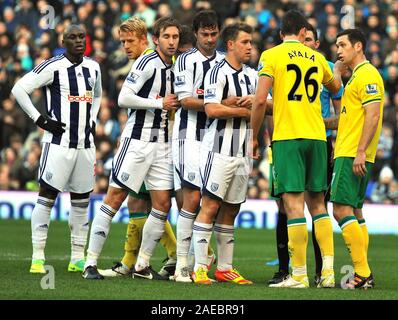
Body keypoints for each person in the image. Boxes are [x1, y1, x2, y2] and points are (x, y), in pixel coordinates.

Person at [82, 17, 181, 280]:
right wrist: (160, 104)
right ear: (157, 39)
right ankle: (89, 263)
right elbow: (124, 97)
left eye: (129, 41)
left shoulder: (173, 64)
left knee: (161, 204)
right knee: (115, 198)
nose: (125, 47)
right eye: (122, 42)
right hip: (137, 142)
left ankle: (142, 265)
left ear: (144, 39)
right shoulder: (147, 62)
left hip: (161, 145)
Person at [251, 10, 342, 288]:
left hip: (289, 136)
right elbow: (335, 85)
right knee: (318, 205)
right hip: (317, 137)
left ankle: (299, 274)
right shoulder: (317, 57)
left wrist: (253, 137)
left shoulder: (271, 55)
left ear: (281, 34)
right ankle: (327, 273)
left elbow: (258, 101)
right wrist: (335, 70)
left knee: (292, 205)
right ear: (303, 33)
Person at [11, 25, 102, 274]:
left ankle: (77, 258)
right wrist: (40, 120)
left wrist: (92, 121)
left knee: (82, 202)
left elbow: (98, 96)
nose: (78, 41)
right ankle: (38, 257)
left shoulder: (94, 67)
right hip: (58, 145)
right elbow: (19, 89)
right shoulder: (53, 66)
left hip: (85, 146)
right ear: (63, 41)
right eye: (72, 37)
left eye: (82, 36)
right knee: (47, 198)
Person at [191, 22, 256, 285]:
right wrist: (245, 110)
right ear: (230, 45)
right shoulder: (217, 72)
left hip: (243, 151)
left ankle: (225, 267)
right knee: (210, 205)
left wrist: (256, 106)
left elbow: (268, 105)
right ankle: (198, 268)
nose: (250, 47)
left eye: (251, 42)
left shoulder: (253, 75)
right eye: (245, 42)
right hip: (218, 149)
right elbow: (212, 110)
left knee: (232, 209)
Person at [172, 10, 224, 282]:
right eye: (205, 34)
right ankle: (182, 265)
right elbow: (184, 100)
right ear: (195, 33)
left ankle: (198, 264)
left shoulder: (225, 62)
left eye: (214, 33)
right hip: (188, 136)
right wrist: (214, 106)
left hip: (215, 140)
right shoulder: (185, 60)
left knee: (209, 201)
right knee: (191, 199)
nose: (210, 39)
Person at [331, 28, 384, 289]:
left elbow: (373, 115)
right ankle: (364, 273)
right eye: (336, 46)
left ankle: (363, 273)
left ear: (359, 46)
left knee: (340, 209)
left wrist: (360, 150)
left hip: (354, 152)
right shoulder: (355, 77)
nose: (338, 50)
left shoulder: (367, 74)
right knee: (355, 210)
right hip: (351, 150)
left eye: (342, 45)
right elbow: (351, 117)